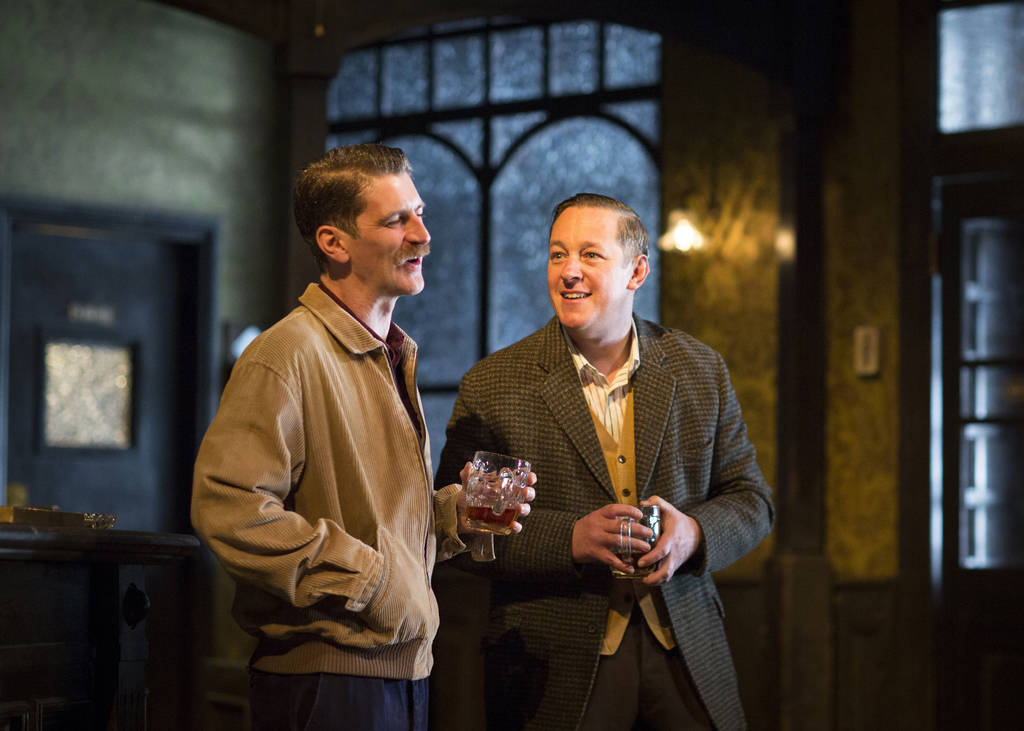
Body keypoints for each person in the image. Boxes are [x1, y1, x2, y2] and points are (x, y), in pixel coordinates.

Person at [192, 143, 532, 731]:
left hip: (400, 675)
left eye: (419, 213)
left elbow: (367, 516)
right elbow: (230, 509)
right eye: (397, 220)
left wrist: (453, 516)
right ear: (334, 242)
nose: (423, 235)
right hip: (328, 682)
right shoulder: (286, 354)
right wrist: (371, 582)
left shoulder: (388, 353)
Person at [436, 193, 774, 730]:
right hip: (552, 662)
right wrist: (570, 540)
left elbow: (752, 499)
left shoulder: (700, 369)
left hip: (687, 649)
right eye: (557, 254)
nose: (568, 271)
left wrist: (693, 534)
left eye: (590, 254)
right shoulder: (494, 384)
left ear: (637, 271)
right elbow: (460, 534)